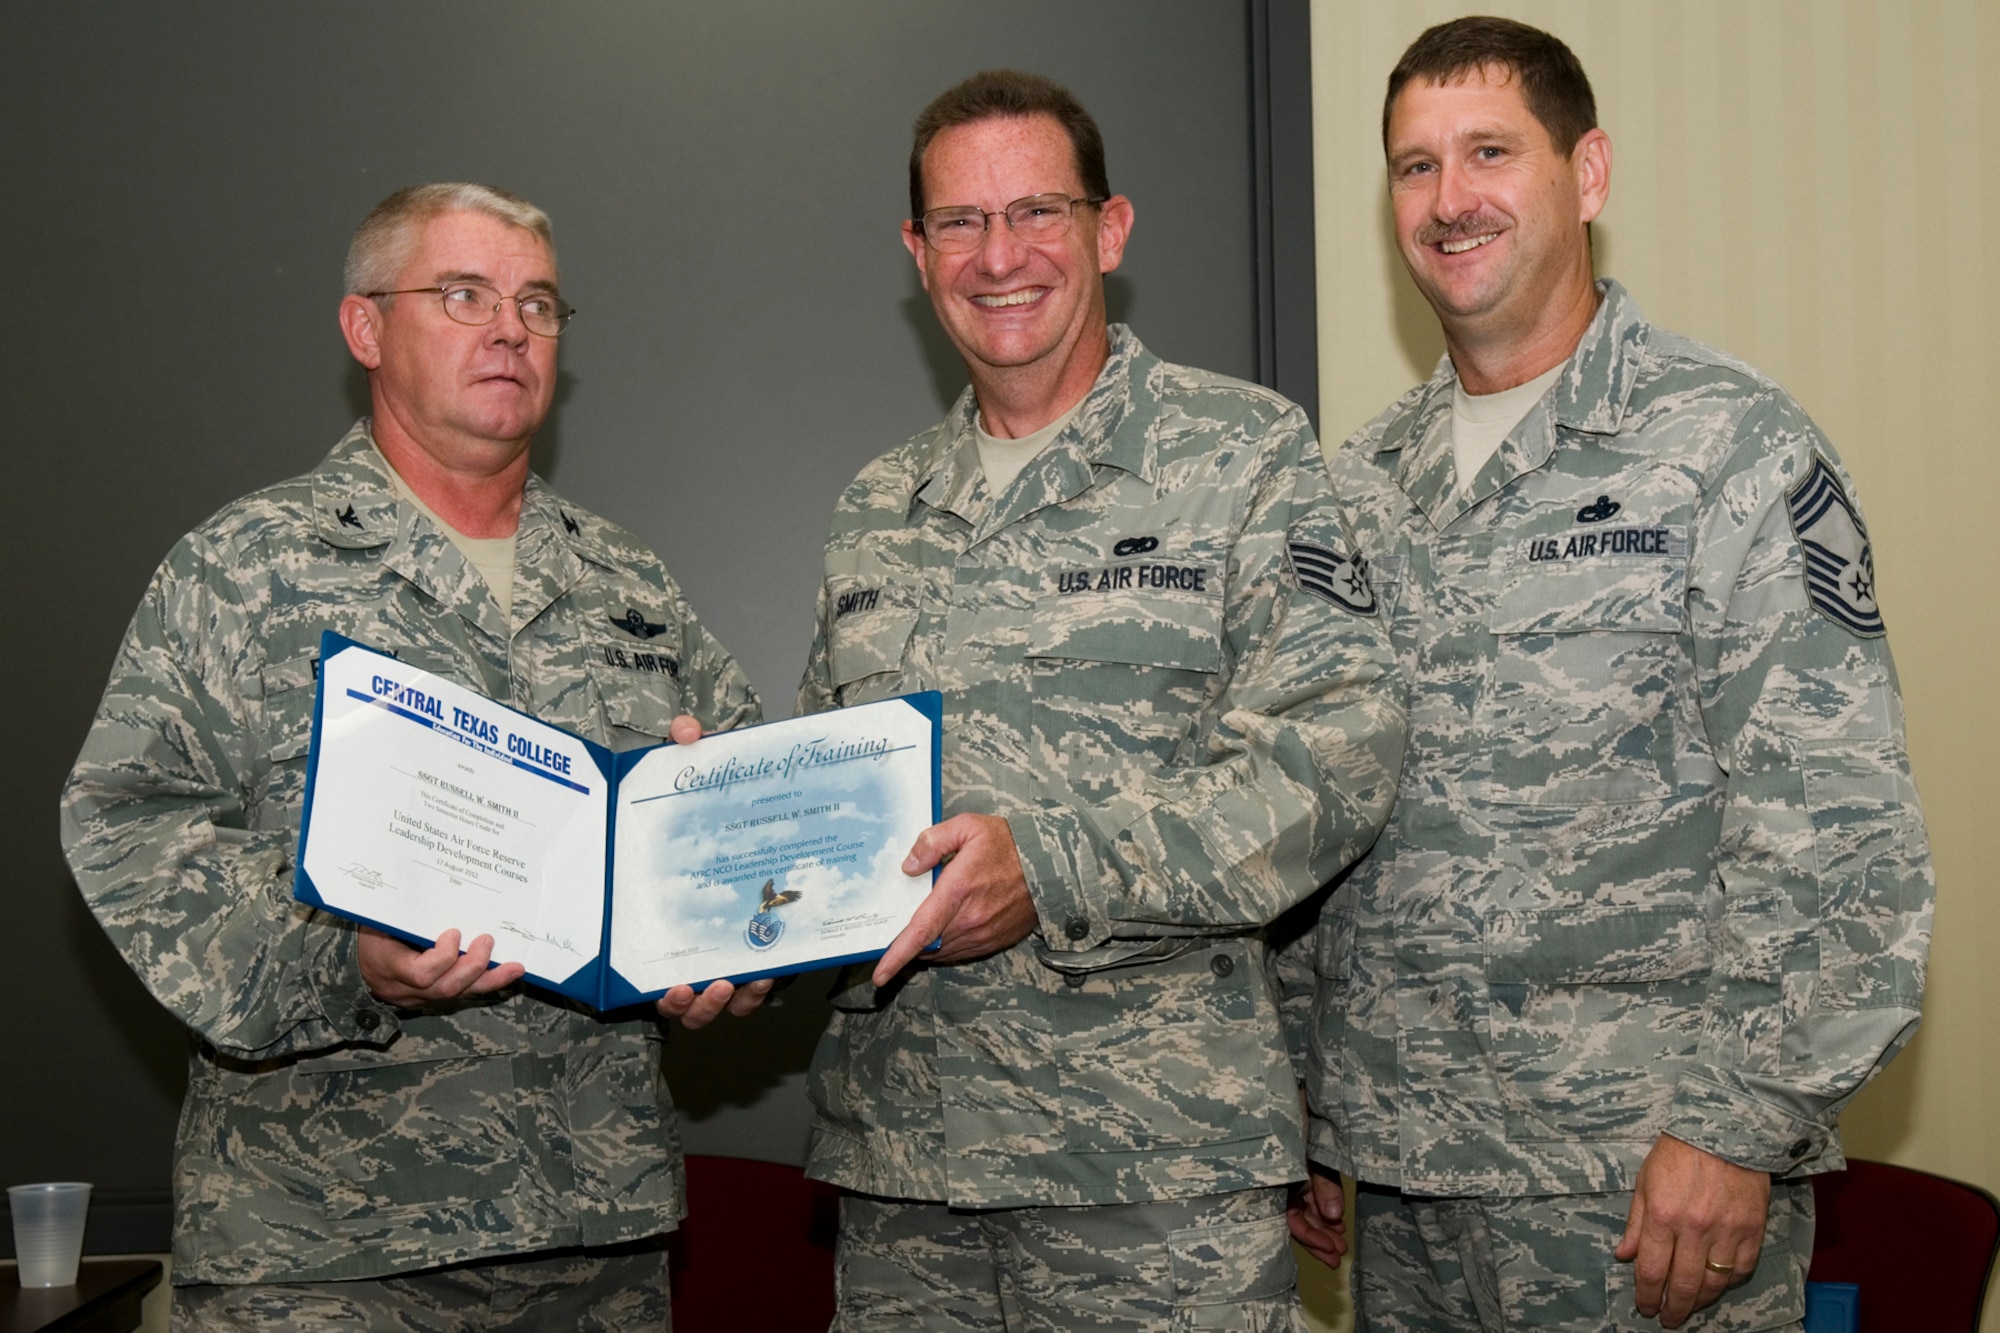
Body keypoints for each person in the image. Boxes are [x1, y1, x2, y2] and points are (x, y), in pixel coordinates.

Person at [1284, 18, 1934, 1332]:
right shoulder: (1354, 492)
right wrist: (1303, 1095)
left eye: (1488, 153)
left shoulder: (1727, 447)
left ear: (1587, 175)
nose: (1450, 199)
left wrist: (1740, 1127)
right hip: (1406, 1191)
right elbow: (1320, 814)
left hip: (1645, 1192)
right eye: (1414, 166)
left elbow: (1837, 827)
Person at [60, 182, 768, 1329]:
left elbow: (737, 808)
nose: (509, 328)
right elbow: (129, 821)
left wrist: (735, 936)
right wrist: (341, 956)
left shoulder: (626, 585)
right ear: (365, 328)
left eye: (538, 303)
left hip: (592, 1237)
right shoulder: (246, 565)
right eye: (463, 294)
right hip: (326, 1244)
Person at [795, 69, 1406, 1331]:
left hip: (1153, 1176)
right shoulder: (875, 507)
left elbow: (1332, 757)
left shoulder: (1242, 454)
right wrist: (708, 868)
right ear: (916, 252)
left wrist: (1056, 868)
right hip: (905, 1175)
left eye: (1036, 212)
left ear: (1108, 230)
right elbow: (828, 789)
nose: (998, 255)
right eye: (959, 222)